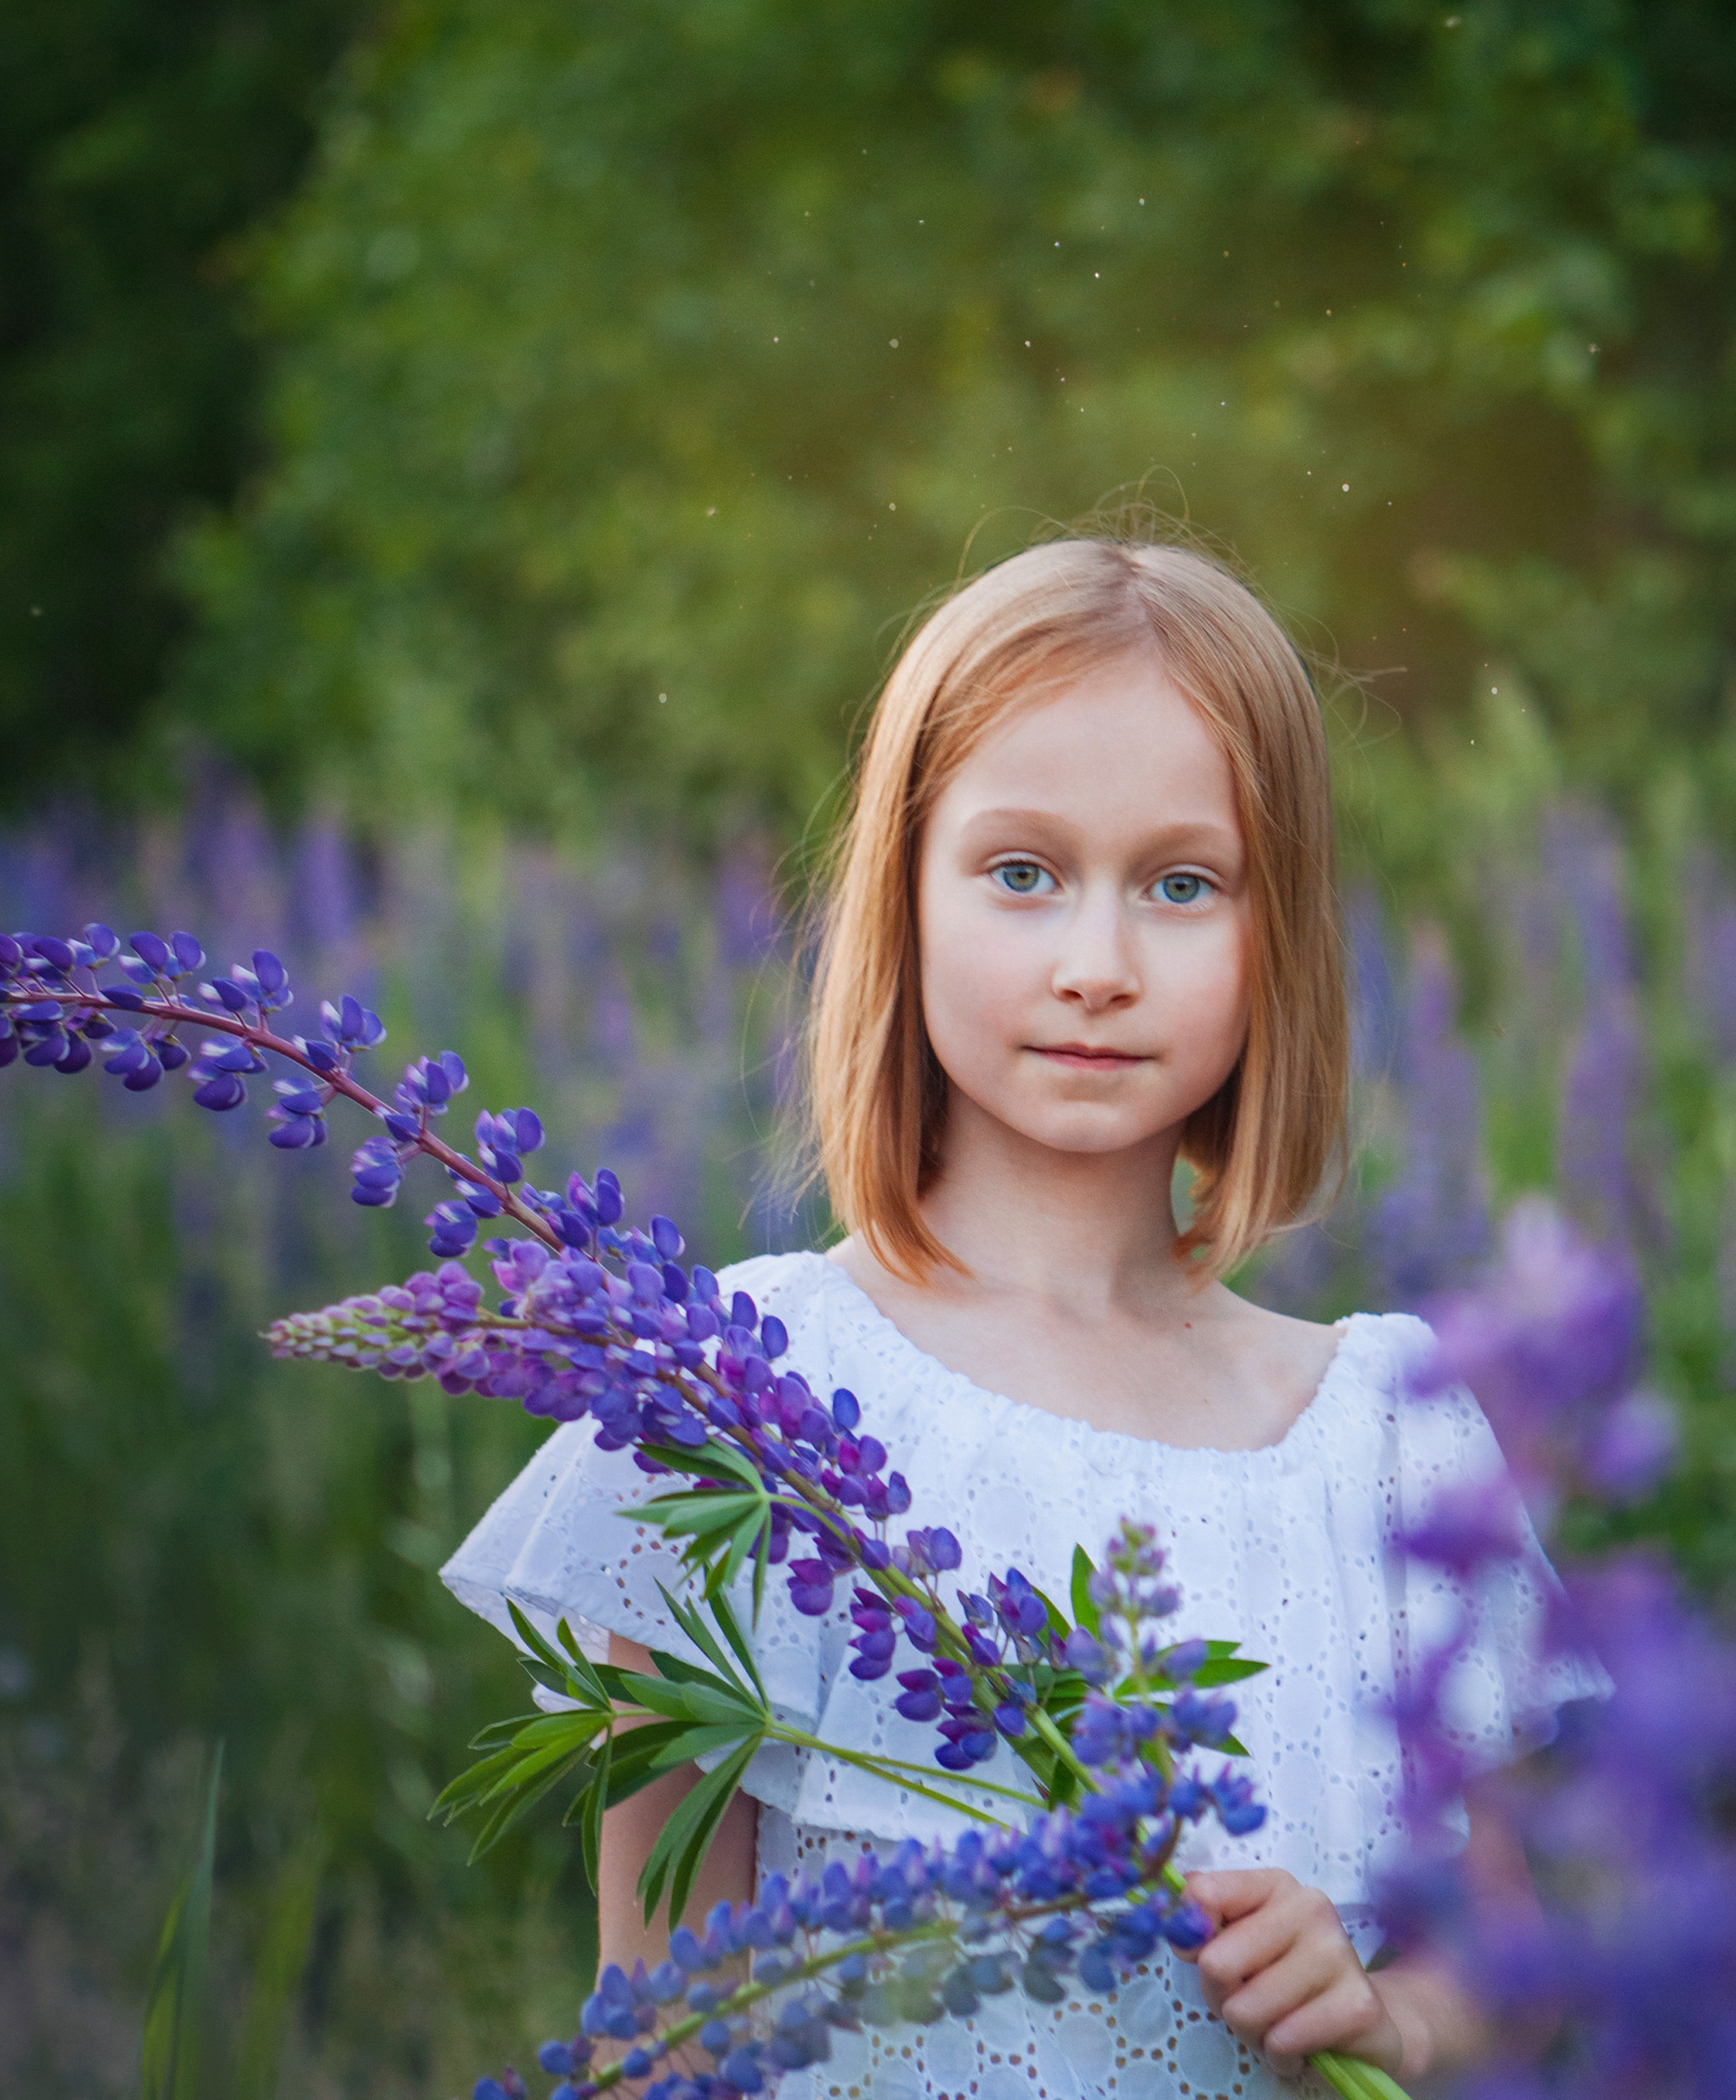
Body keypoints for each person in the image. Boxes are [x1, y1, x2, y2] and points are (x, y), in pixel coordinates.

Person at [442, 535, 1607, 2100]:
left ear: (1283, 936)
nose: (1097, 964)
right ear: (902, 899)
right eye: (1021, 872)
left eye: (1183, 885)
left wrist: (1390, 2017)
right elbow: (655, 2026)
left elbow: (1520, 1981)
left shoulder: (1397, 1440)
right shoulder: (735, 1399)